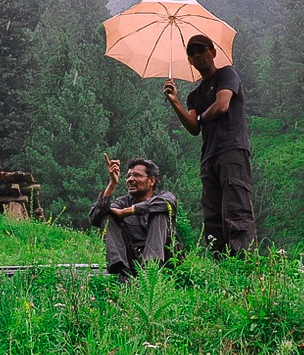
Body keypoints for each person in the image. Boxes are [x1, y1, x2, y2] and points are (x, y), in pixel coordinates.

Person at [163, 34, 256, 257]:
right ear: (190, 61)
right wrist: (175, 101)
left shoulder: (227, 74)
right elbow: (193, 128)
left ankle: (243, 265)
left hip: (232, 151)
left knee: (236, 210)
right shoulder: (195, 95)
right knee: (213, 218)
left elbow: (222, 105)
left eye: (202, 50)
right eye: (192, 53)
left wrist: (201, 119)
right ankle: (221, 267)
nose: (198, 55)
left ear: (213, 52)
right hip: (209, 158)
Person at [89, 153, 180, 279]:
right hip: (133, 261)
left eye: (136, 175)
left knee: (160, 213)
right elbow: (95, 218)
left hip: (166, 261)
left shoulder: (165, 196)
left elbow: (167, 203)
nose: (130, 179)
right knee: (107, 217)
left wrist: (130, 211)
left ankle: (151, 269)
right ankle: (121, 271)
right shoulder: (123, 202)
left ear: (152, 180)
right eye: (128, 176)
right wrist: (112, 184)